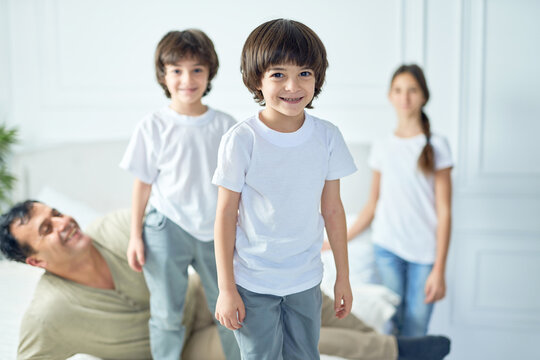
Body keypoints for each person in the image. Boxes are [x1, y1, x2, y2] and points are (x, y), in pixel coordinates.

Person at [0, 201, 450, 360]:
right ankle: (394, 352)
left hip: (204, 303)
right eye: (45, 229)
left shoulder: (120, 227)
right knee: (277, 335)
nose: (62, 223)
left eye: (54, 213)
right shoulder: (48, 316)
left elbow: (192, 228)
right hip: (183, 349)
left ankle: (379, 344)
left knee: (302, 297)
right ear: (36, 262)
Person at [212, 19, 355, 360]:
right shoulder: (241, 140)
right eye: (278, 74)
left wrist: (343, 278)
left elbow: (333, 210)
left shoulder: (327, 137)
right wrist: (226, 288)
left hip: (305, 280)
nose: (293, 85)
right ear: (256, 80)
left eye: (304, 73)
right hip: (253, 281)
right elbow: (225, 215)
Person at [119, 30, 239, 359]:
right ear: (164, 75)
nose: (187, 79)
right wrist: (135, 236)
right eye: (177, 70)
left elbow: (237, 188)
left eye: (197, 69)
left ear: (209, 73)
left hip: (214, 228)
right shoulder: (152, 125)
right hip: (166, 227)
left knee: (230, 308)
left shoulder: (226, 126)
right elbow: (142, 184)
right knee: (167, 313)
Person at [346, 64, 453, 337]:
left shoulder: (437, 145)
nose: (405, 97)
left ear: (423, 96)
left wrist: (439, 269)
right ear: (390, 96)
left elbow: (444, 210)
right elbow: (372, 203)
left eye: (412, 90)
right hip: (388, 249)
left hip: (424, 254)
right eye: (398, 90)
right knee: (391, 327)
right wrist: (338, 240)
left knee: (416, 328)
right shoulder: (383, 146)